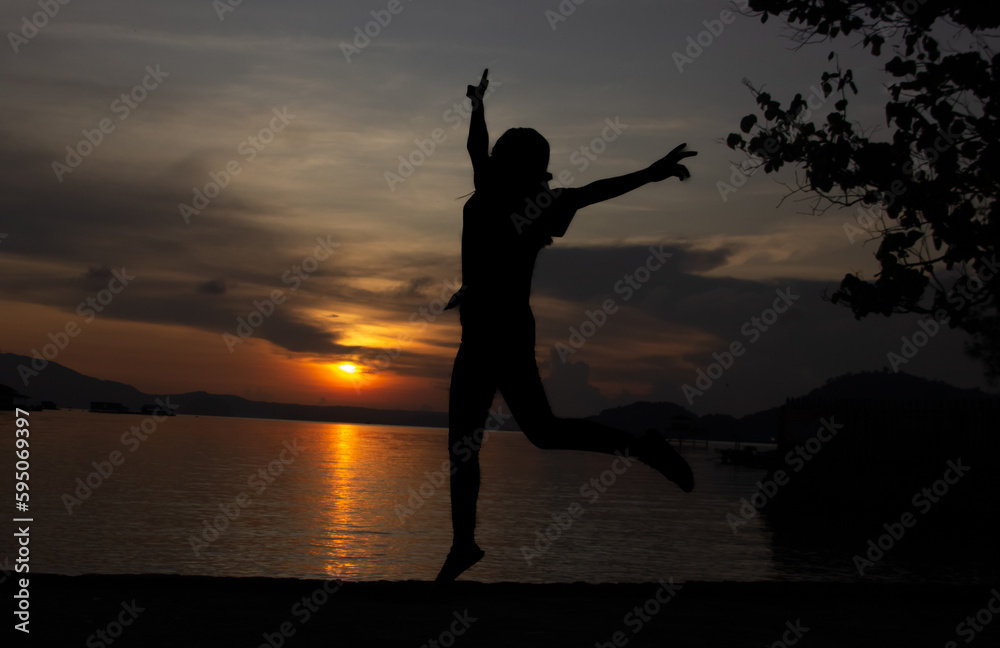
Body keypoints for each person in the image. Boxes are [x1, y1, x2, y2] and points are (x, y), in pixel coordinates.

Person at [435, 69, 697, 585]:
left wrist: (651, 172)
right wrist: (478, 105)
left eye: (504, 153)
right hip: (482, 333)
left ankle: (642, 447)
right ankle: (464, 544)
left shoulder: (515, 198)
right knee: (474, 443)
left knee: (538, 433)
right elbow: (480, 148)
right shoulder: (504, 194)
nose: (491, 158)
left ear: (516, 163)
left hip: (503, 335)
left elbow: (597, 190)